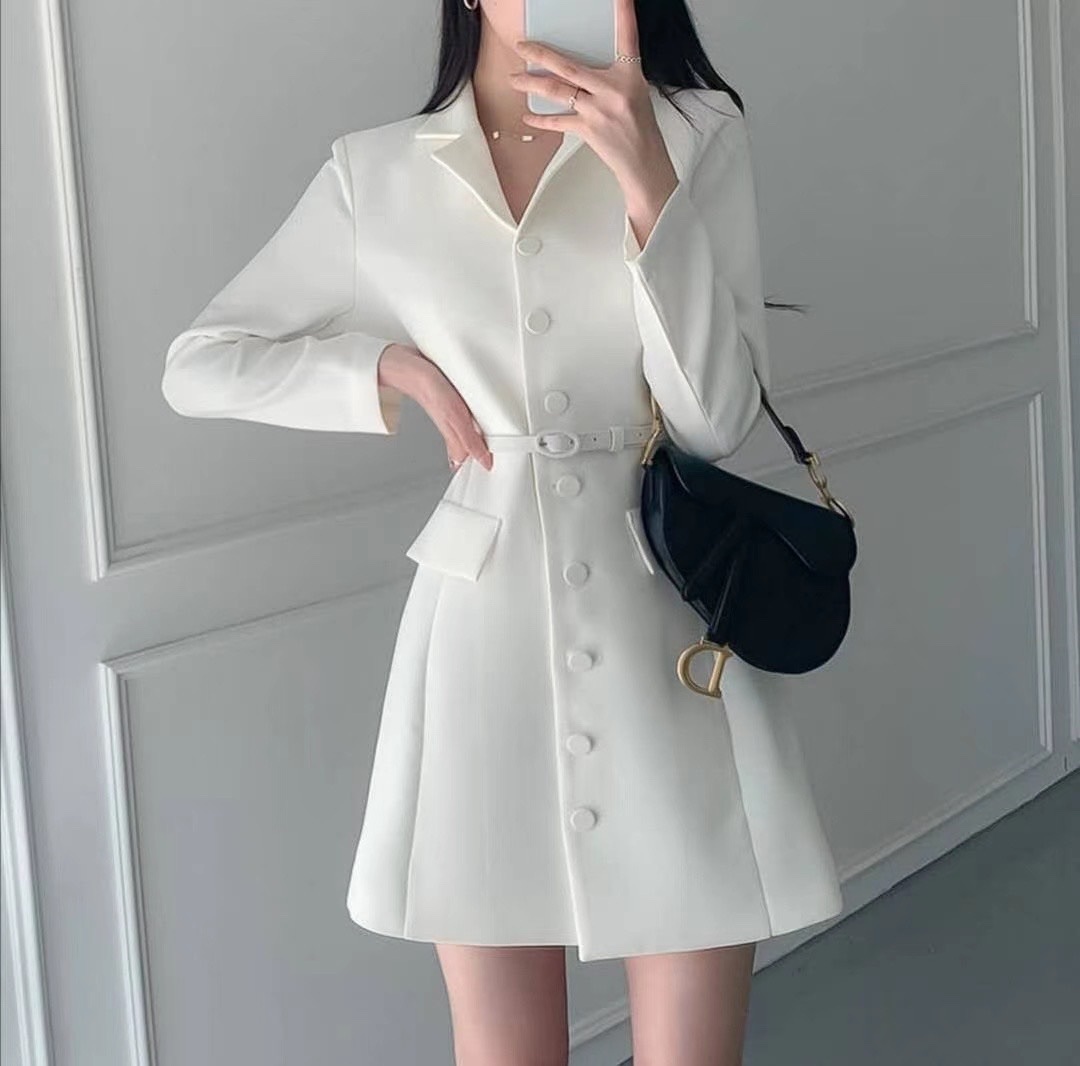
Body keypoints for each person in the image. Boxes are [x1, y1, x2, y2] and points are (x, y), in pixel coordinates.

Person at [161, 1, 844, 1062]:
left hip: (671, 634)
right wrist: (381, 367)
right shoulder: (377, 171)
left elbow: (714, 419)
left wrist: (645, 178)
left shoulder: (695, 131)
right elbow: (198, 364)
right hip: (481, 641)